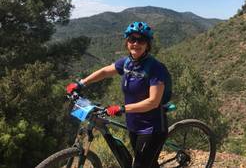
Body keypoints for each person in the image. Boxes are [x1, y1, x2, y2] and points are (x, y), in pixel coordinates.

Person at [66, 22, 169, 168]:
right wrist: (81, 83)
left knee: (140, 165)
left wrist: (121, 108)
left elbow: (153, 102)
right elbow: (105, 72)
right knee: (148, 162)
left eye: (141, 40)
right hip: (133, 124)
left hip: (152, 127)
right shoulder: (127, 63)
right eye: (132, 39)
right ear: (127, 42)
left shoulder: (155, 68)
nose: (136, 43)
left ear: (148, 44)